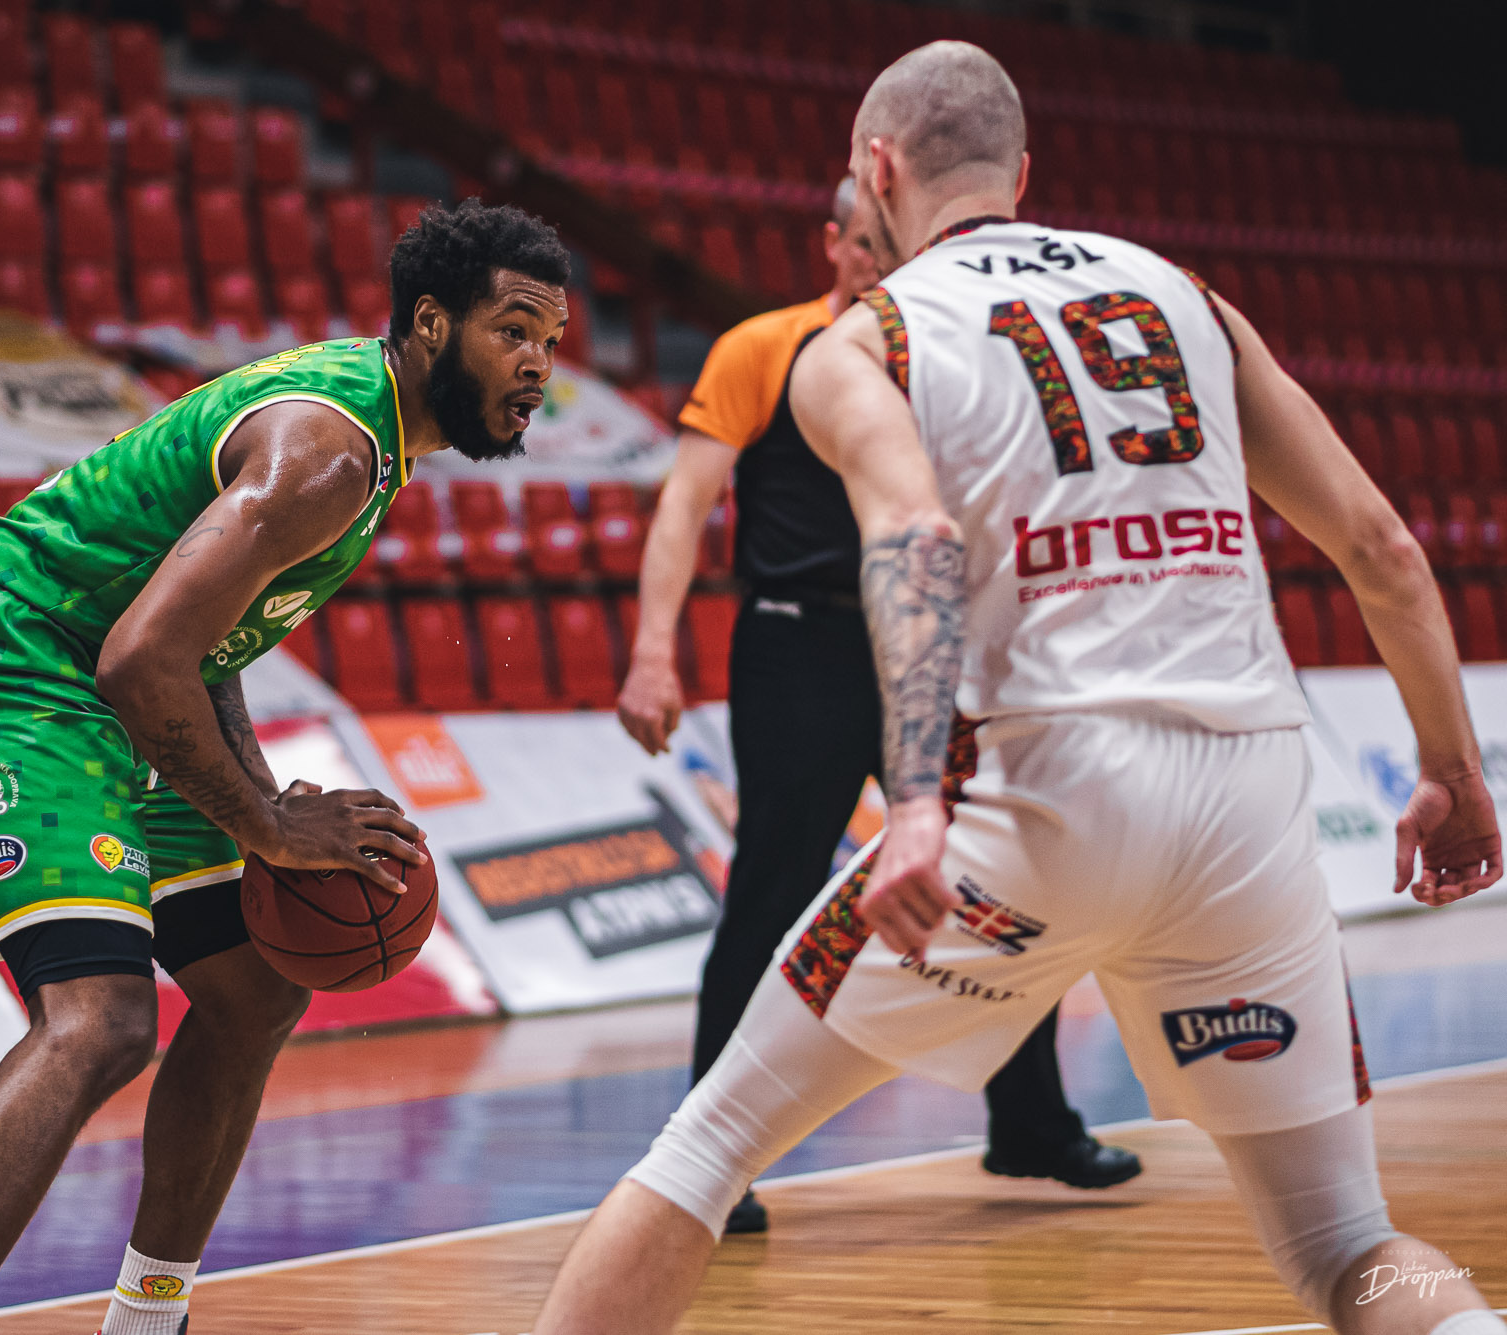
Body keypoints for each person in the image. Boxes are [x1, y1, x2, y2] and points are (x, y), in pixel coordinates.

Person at [537, 42, 1503, 1335]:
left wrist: (914, 805)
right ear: (1023, 171)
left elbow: (915, 541)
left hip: (1046, 788)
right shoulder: (1187, 297)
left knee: (702, 1152)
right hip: (1249, 799)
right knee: (1344, 1241)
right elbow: (1379, 546)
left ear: (875, 172)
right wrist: (1453, 767)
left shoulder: (861, 339)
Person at [0, 200, 570, 1335]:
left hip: (108, 667)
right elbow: (142, 659)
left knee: (254, 993)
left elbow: (207, 642)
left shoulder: (372, 434)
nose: (538, 364)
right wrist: (265, 824)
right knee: (101, 1022)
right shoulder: (328, 456)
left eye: (550, 340)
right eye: (514, 331)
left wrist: (255, 791)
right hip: (9, 655)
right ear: (431, 324)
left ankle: (150, 1319)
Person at [618, 177, 1136, 1233]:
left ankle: (1030, 1126)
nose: (874, 264)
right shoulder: (764, 347)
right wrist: (650, 653)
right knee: (772, 889)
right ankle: (704, 1161)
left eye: (889, 248)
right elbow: (683, 503)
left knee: (995, 875)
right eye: (860, 245)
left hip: (927, 646)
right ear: (830, 243)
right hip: (797, 646)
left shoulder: (942, 352)